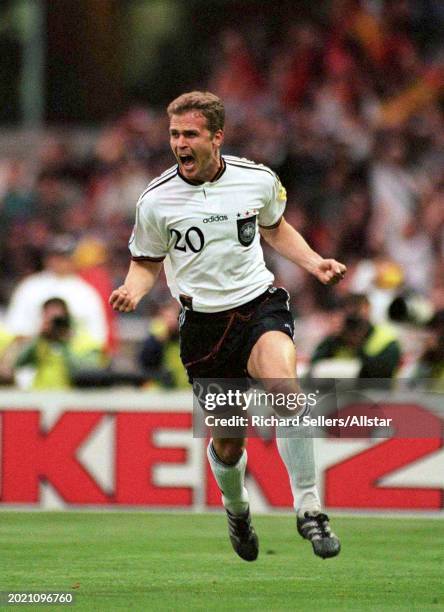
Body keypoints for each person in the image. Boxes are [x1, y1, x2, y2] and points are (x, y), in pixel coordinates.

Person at [110, 91, 346, 562]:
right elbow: (145, 261)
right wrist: (133, 290)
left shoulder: (256, 179)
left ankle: (309, 508)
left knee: (286, 390)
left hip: (257, 304)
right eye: (175, 134)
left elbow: (275, 226)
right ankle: (237, 510)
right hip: (203, 327)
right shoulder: (155, 200)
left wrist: (314, 262)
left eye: (190, 134)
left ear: (216, 137)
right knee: (229, 440)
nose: (180, 143)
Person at [5, 235, 108, 349]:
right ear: (47, 258)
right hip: (33, 359)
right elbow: (14, 327)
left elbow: (98, 336)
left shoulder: (86, 292)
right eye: (55, 256)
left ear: (73, 259)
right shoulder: (30, 287)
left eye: (65, 257)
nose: (60, 262)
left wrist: (69, 336)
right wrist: (40, 333)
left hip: (73, 360)